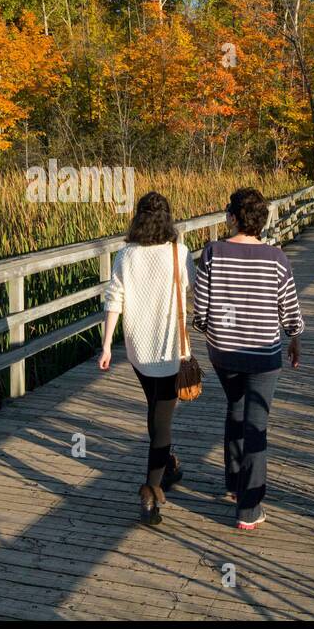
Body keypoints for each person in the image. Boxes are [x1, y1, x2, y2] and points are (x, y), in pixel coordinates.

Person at [193, 187, 303, 530]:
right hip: (263, 355)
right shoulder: (277, 258)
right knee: (255, 424)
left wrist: (213, 331)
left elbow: (200, 313)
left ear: (233, 217)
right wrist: (295, 339)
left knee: (235, 410)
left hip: (223, 352)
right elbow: (291, 313)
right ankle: (249, 509)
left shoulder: (213, 252)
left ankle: (233, 483)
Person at [99, 191, 195, 526]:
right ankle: (150, 489)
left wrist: (108, 345)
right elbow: (191, 291)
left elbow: (114, 299)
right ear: (168, 218)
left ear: (138, 218)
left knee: (155, 409)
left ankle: (167, 466)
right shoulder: (179, 253)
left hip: (138, 348)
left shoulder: (125, 255)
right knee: (162, 421)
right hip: (170, 348)